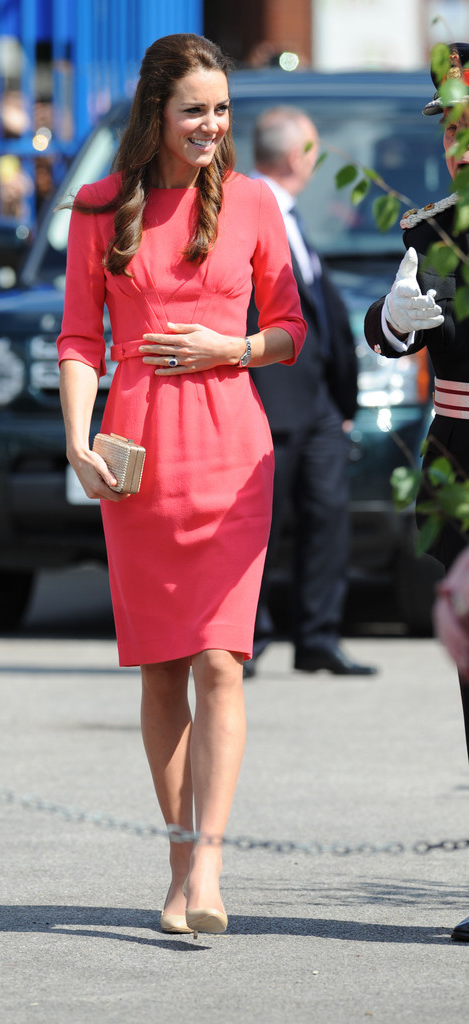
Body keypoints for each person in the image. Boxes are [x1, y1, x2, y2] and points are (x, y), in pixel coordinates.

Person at [56, 34, 306, 936]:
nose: (212, 126)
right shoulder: (99, 209)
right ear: (156, 113)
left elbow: (289, 328)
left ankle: (208, 866)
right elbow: (80, 339)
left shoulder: (252, 203)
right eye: (195, 110)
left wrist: (230, 346)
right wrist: (77, 440)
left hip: (232, 455)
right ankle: (174, 862)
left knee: (219, 663)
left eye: (223, 110)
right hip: (139, 456)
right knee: (161, 670)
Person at [364, 42, 469, 942]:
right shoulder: (430, 227)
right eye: (447, 123)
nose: (456, 138)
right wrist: (389, 325)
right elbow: (390, 320)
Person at [246, 106, 377, 677]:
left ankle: (317, 637)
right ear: (299, 156)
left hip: (319, 402)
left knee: (328, 516)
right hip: (269, 399)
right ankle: (243, 640)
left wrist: (342, 402)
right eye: (314, 151)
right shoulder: (247, 212)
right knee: (255, 528)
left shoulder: (294, 218)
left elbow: (319, 310)